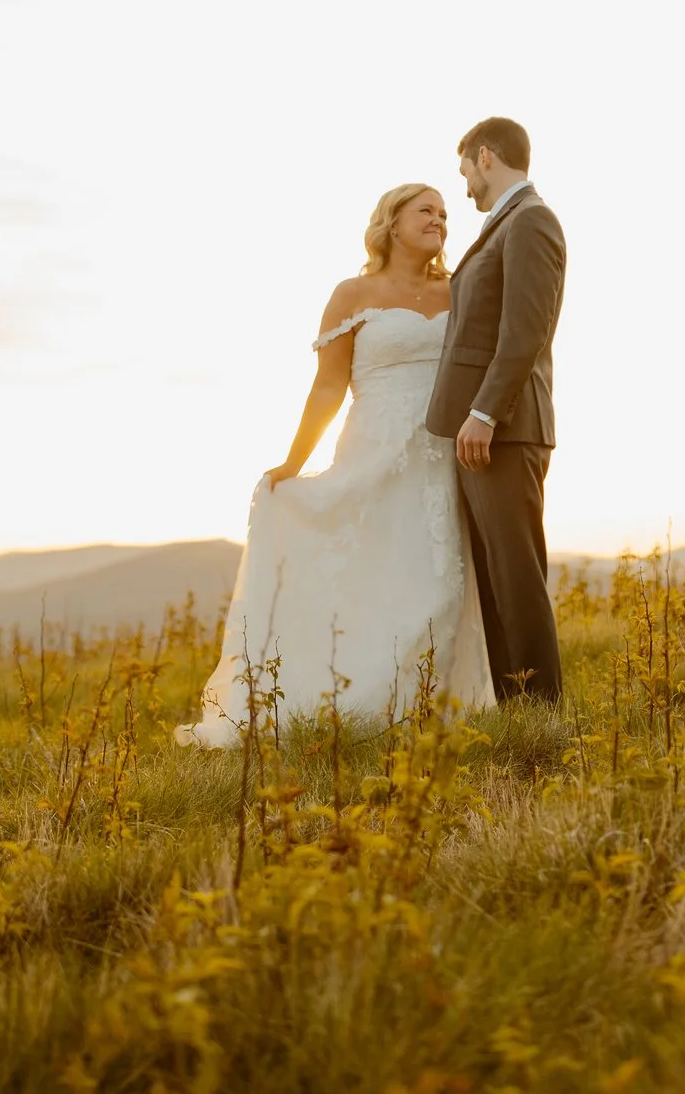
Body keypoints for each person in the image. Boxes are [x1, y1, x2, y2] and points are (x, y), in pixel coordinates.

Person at [175, 183, 494, 748]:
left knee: (439, 585)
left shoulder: (457, 289)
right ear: (391, 222)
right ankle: (355, 712)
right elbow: (328, 386)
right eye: (426, 210)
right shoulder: (352, 293)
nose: (440, 220)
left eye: (445, 214)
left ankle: (425, 714)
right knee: (374, 584)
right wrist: (294, 462)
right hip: (374, 453)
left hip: (441, 462)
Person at [425, 117, 567, 704]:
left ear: (486, 156)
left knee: (517, 581)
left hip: (505, 429)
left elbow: (526, 330)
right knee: (495, 585)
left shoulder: (531, 220)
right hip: (486, 431)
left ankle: (543, 717)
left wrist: (484, 413)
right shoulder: (507, 223)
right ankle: (519, 717)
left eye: (464, 170)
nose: (464, 187)